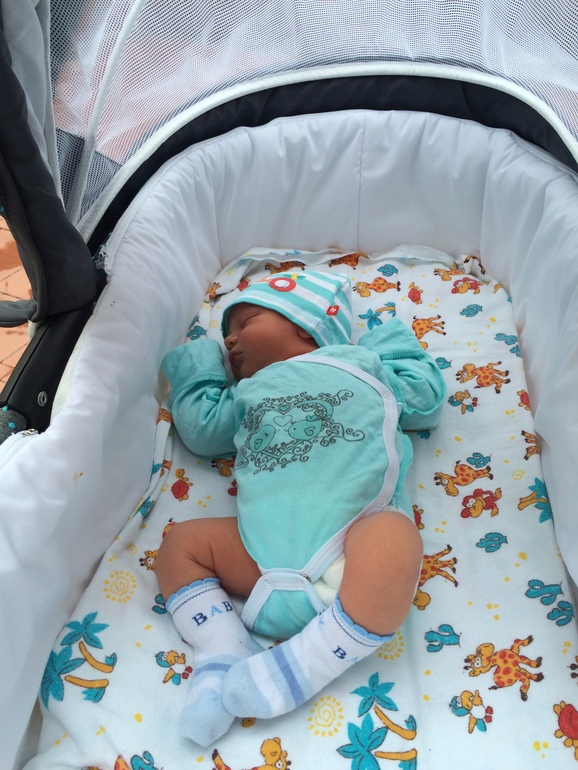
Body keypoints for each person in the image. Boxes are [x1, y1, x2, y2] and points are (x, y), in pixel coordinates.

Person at [157, 269, 446, 746]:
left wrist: (389, 343)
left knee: (393, 537)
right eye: (225, 336)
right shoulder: (247, 391)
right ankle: (222, 647)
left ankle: (314, 660)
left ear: (307, 325)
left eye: (245, 322)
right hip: (256, 561)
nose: (229, 341)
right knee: (180, 545)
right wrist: (199, 366)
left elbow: (424, 399)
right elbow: (203, 432)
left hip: (347, 560)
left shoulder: (362, 364)